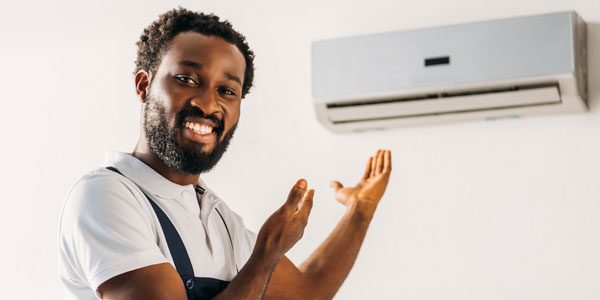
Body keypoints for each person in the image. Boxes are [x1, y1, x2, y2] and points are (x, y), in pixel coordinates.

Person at [58, 7, 392, 300]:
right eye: (187, 79)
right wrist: (265, 255)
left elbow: (308, 292)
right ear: (144, 86)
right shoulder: (106, 197)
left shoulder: (219, 219)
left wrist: (361, 210)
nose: (207, 103)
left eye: (227, 90)